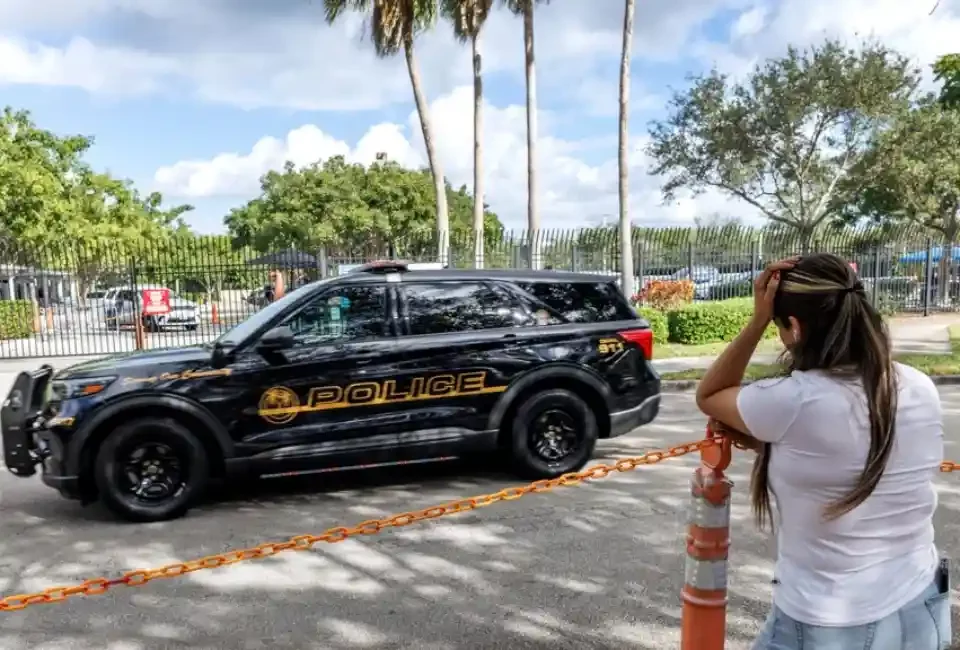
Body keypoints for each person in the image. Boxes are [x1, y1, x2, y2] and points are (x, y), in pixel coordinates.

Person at [695, 253, 950, 650]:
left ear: (795, 327)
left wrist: (757, 320)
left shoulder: (792, 400)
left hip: (829, 624)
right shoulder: (919, 386)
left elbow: (710, 394)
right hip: (921, 606)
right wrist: (773, 444)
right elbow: (859, 452)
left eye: (779, 326)